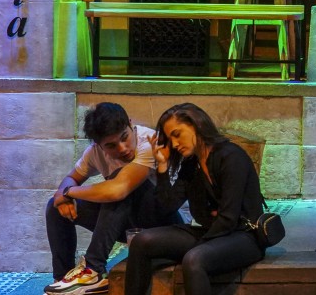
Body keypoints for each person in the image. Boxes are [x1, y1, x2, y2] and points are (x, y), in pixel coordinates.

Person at [124, 103, 270, 295]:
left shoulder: (231, 157)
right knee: (142, 241)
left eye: (177, 134)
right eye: (170, 139)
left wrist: (198, 245)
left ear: (197, 124)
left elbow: (228, 218)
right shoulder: (192, 165)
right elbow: (167, 206)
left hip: (244, 237)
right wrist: (162, 166)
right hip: (211, 233)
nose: (174, 144)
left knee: (194, 259)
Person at [44, 102, 179, 295]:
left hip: (163, 225)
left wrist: (67, 192)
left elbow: (118, 190)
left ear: (130, 125)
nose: (123, 149)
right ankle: (64, 281)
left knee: (118, 183)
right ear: (99, 145)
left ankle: (93, 268)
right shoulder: (94, 152)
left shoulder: (148, 141)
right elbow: (72, 178)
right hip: (128, 225)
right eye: (111, 145)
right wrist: (61, 195)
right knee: (54, 207)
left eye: (125, 138)